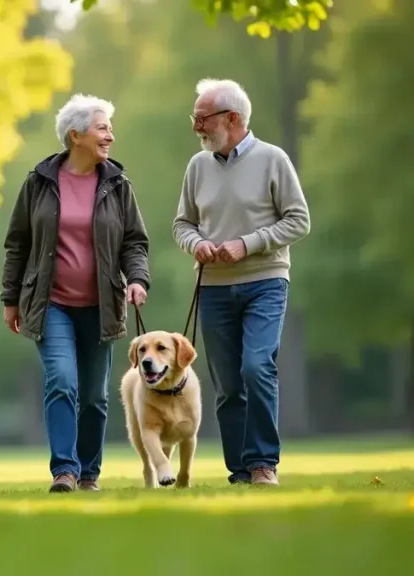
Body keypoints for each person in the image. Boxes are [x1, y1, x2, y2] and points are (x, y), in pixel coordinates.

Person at [0, 93, 151, 493]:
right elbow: (18, 243)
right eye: (102, 128)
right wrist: (10, 299)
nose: (110, 137)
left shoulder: (118, 185)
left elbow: (134, 241)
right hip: (51, 304)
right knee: (62, 381)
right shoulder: (40, 182)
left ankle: (88, 474)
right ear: (75, 135)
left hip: (101, 305)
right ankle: (64, 470)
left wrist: (137, 279)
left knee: (95, 397)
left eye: (109, 129)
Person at [172, 78, 311, 486]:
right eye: (194, 118)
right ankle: (240, 470)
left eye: (202, 118)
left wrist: (247, 245)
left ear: (231, 118)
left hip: (265, 281)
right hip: (212, 288)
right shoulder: (197, 166)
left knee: (256, 367)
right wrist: (196, 244)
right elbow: (182, 223)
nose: (196, 127)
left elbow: (298, 220)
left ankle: (264, 463)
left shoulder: (273, 159)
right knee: (228, 383)